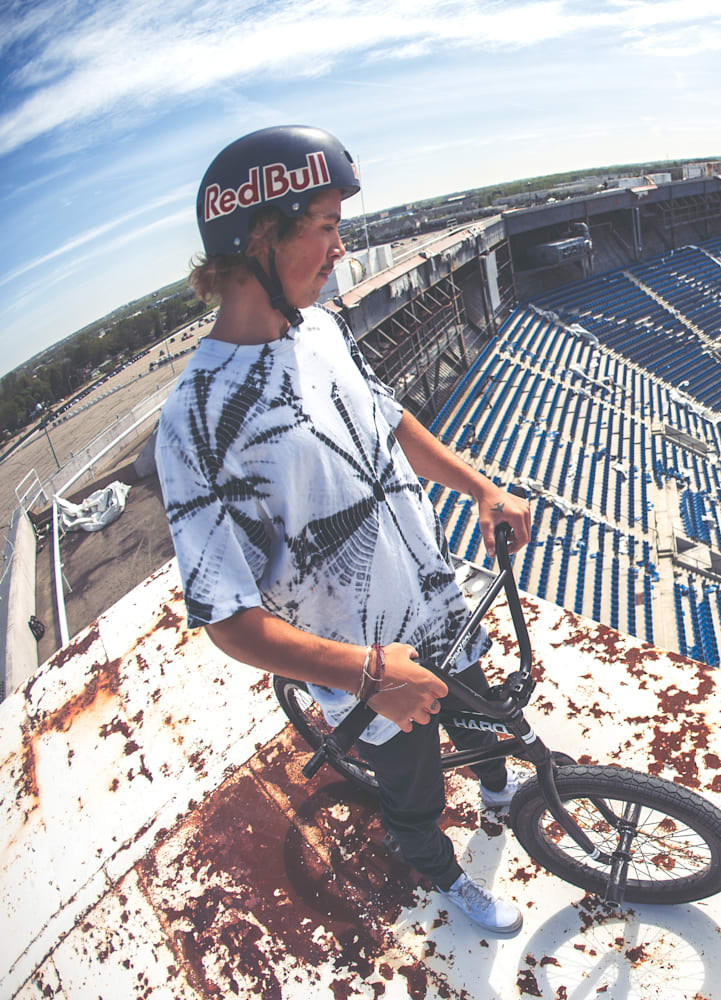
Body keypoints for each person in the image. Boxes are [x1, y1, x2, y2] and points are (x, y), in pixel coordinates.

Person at [156, 125, 533, 934]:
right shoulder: (194, 421)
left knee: (485, 709)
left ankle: (498, 787)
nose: (340, 248)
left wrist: (481, 488)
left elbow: (389, 420)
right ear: (261, 235)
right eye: (325, 226)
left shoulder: (320, 329)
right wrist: (370, 675)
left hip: (433, 601)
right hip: (364, 668)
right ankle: (439, 872)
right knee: (414, 792)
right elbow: (227, 618)